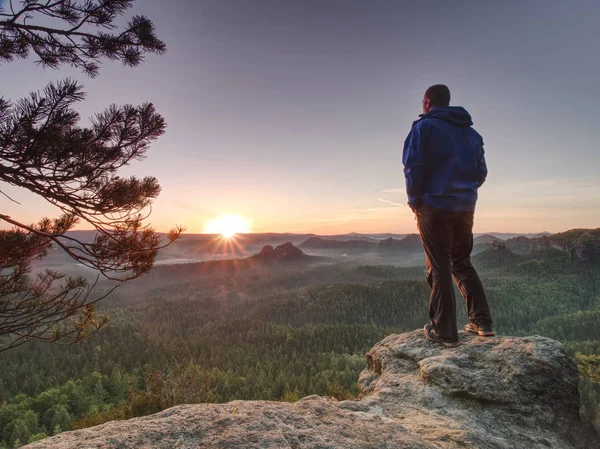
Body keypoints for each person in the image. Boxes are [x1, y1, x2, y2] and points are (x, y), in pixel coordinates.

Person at [402, 84, 493, 348]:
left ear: (428, 102)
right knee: (462, 262)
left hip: (434, 205)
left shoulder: (423, 128)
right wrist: (463, 192)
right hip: (465, 207)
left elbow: (413, 167)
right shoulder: (472, 135)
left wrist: (415, 200)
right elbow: (481, 172)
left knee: (439, 264)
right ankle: (482, 323)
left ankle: (445, 332)